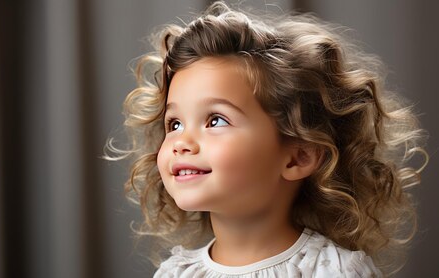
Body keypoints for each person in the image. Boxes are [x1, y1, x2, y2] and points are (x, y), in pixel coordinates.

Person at [105, 1, 428, 277]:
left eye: (215, 120)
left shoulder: (333, 271)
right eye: (174, 123)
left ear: (297, 157)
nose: (181, 141)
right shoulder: (175, 273)